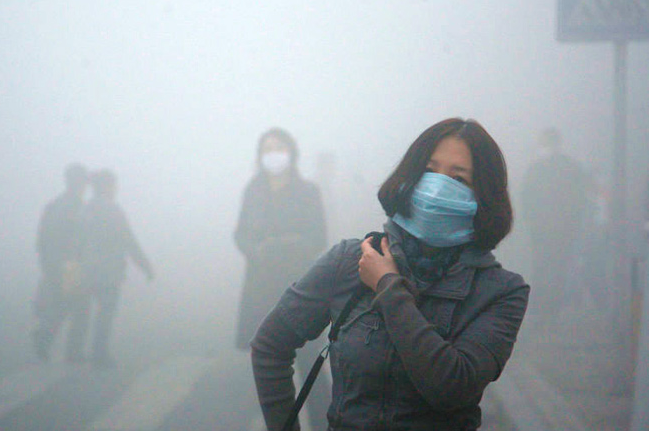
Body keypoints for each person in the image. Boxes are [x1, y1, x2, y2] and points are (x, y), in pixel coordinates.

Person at [251, 118, 529, 431]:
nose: (437, 188)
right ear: (409, 178)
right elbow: (270, 345)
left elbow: (451, 389)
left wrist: (388, 287)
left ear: (483, 195)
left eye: (459, 178)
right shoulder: (350, 261)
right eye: (428, 171)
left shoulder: (502, 292)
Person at [235, 127, 329, 430]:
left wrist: (288, 245)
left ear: (291, 152)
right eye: (267, 149)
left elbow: (319, 238)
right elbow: (240, 234)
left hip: (300, 289)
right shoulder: (254, 190)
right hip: (261, 289)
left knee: (310, 368)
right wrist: (257, 250)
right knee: (270, 371)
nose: (273, 154)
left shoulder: (308, 191)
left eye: (278, 147)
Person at [72, 169, 154, 369]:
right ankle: (99, 353)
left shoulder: (85, 209)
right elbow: (128, 240)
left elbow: (76, 241)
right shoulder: (113, 210)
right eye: (114, 185)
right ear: (108, 187)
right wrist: (145, 265)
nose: (116, 189)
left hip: (85, 269)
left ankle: (73, 351)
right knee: (105, 313)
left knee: (82, 311)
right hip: (108, 272)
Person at [521, 128, 589, 330]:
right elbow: (580, 198)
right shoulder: (571, 167)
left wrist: (532, 220)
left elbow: (527, 198)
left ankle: (541, 310)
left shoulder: (537, 168)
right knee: (558, 267)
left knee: (543, 266)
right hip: (562, 228)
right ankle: (551, 310)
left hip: (543, 228)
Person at [32, 163, 91, 362]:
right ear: (79, 182)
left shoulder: (53, 205)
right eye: (83, 181)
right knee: (80, 307)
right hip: (70, 265)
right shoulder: (77, 207)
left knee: (61, 303)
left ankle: (44, 336)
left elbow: (40, 238)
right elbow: (79, 238)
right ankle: (70, 350)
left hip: (52, 262)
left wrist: (46, 263)